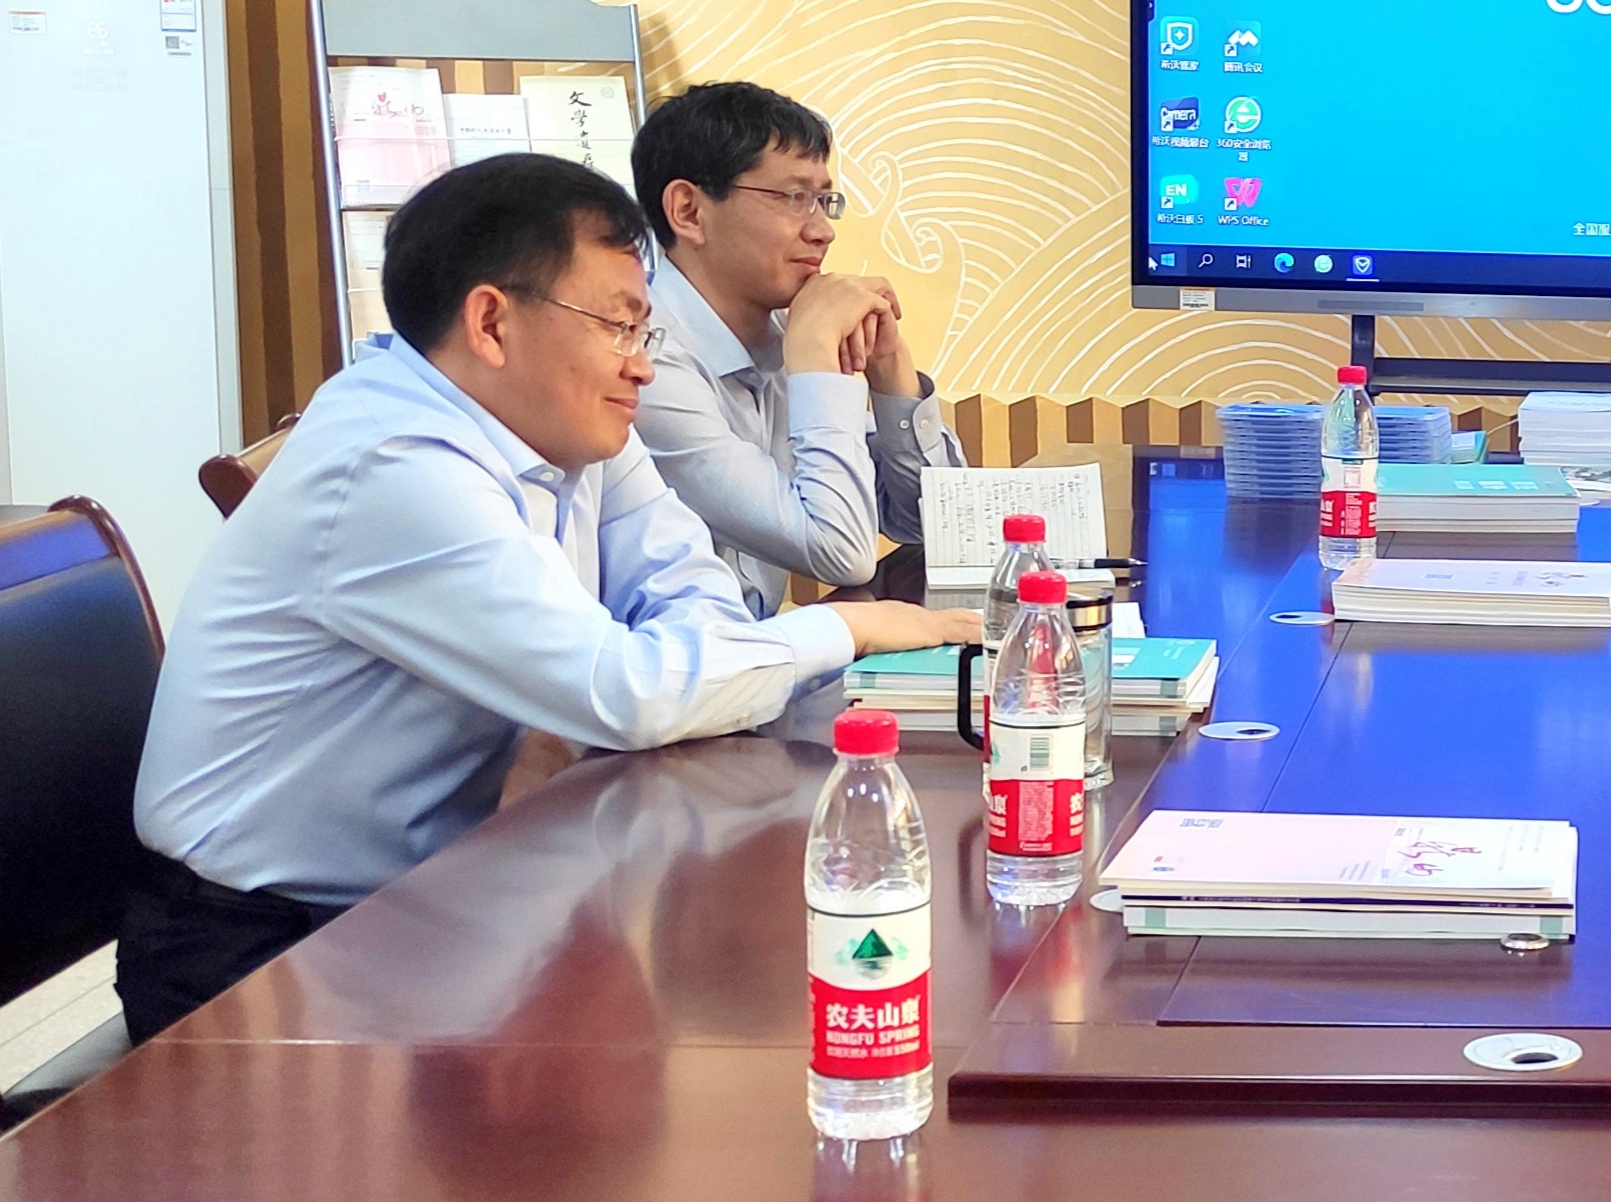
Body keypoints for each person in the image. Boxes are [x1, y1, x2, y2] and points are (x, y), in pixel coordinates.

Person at [125, 155, 979, 1041]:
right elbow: (625, 690)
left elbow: (690, 590)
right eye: (619, 326)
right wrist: (843, 627)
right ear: (492, 322)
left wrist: (610, 700)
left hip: (440, 890)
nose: (641, 367)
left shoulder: (569, 419)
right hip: (261, 948)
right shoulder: (395, 460)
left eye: (645, 331)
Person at [632, 80, 960, 609]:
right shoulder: (646, 364)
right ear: (688, 211)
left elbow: (939, 528)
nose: (823, 231)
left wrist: (892, 371)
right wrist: (815, 365)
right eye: (794, 198)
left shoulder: (788, 332)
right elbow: (841, 553)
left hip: (757, 651)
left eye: (824, 201)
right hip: (681, 659)